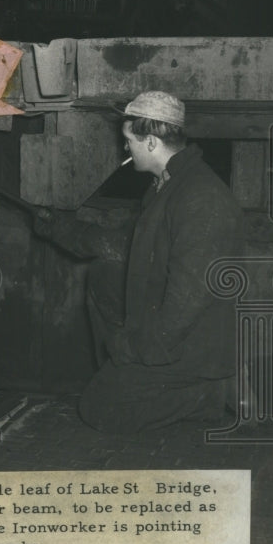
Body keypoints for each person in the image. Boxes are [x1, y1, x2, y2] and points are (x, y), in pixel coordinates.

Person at [35, 91, 244, 433]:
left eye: (129, 140)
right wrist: (59, 228)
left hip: (193, 346)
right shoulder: (168, 186)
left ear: (150, 142)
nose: (125, 149)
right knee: (103, 277)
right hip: (172, 332)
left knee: (99, 408)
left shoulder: (202, 199)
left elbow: (187, 302)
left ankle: (209, 393)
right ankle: (139, 381)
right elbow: (127, 247)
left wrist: (133, 348)